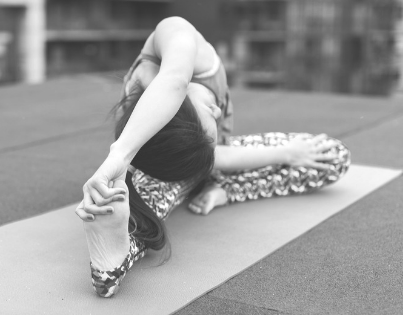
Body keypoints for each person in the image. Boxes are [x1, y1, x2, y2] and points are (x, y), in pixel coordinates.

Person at [75, 17, 350, 298]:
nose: (218, 112)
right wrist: (286, 154)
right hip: (175, 172)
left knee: (332, 156)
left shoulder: (175, 37)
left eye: (209, 111)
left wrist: (291, 154)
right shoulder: (164, 144)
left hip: (209, 161)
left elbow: (174, 81)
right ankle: (116, 256)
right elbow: (210, 152)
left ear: (176, 101)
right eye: (211, 112)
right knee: (147, 203)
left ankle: (222, 189)